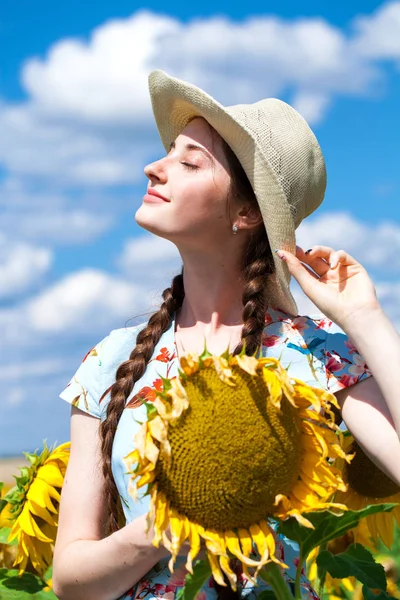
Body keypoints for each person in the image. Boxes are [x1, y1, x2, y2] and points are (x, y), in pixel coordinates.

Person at [52, 70, 400, 600]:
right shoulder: (110, 364)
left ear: (247, 213)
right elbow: (71, 581)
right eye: (169, 151)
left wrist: (366, 318)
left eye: (189, 162)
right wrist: (174, 518)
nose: (154, 166)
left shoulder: (313, 352)